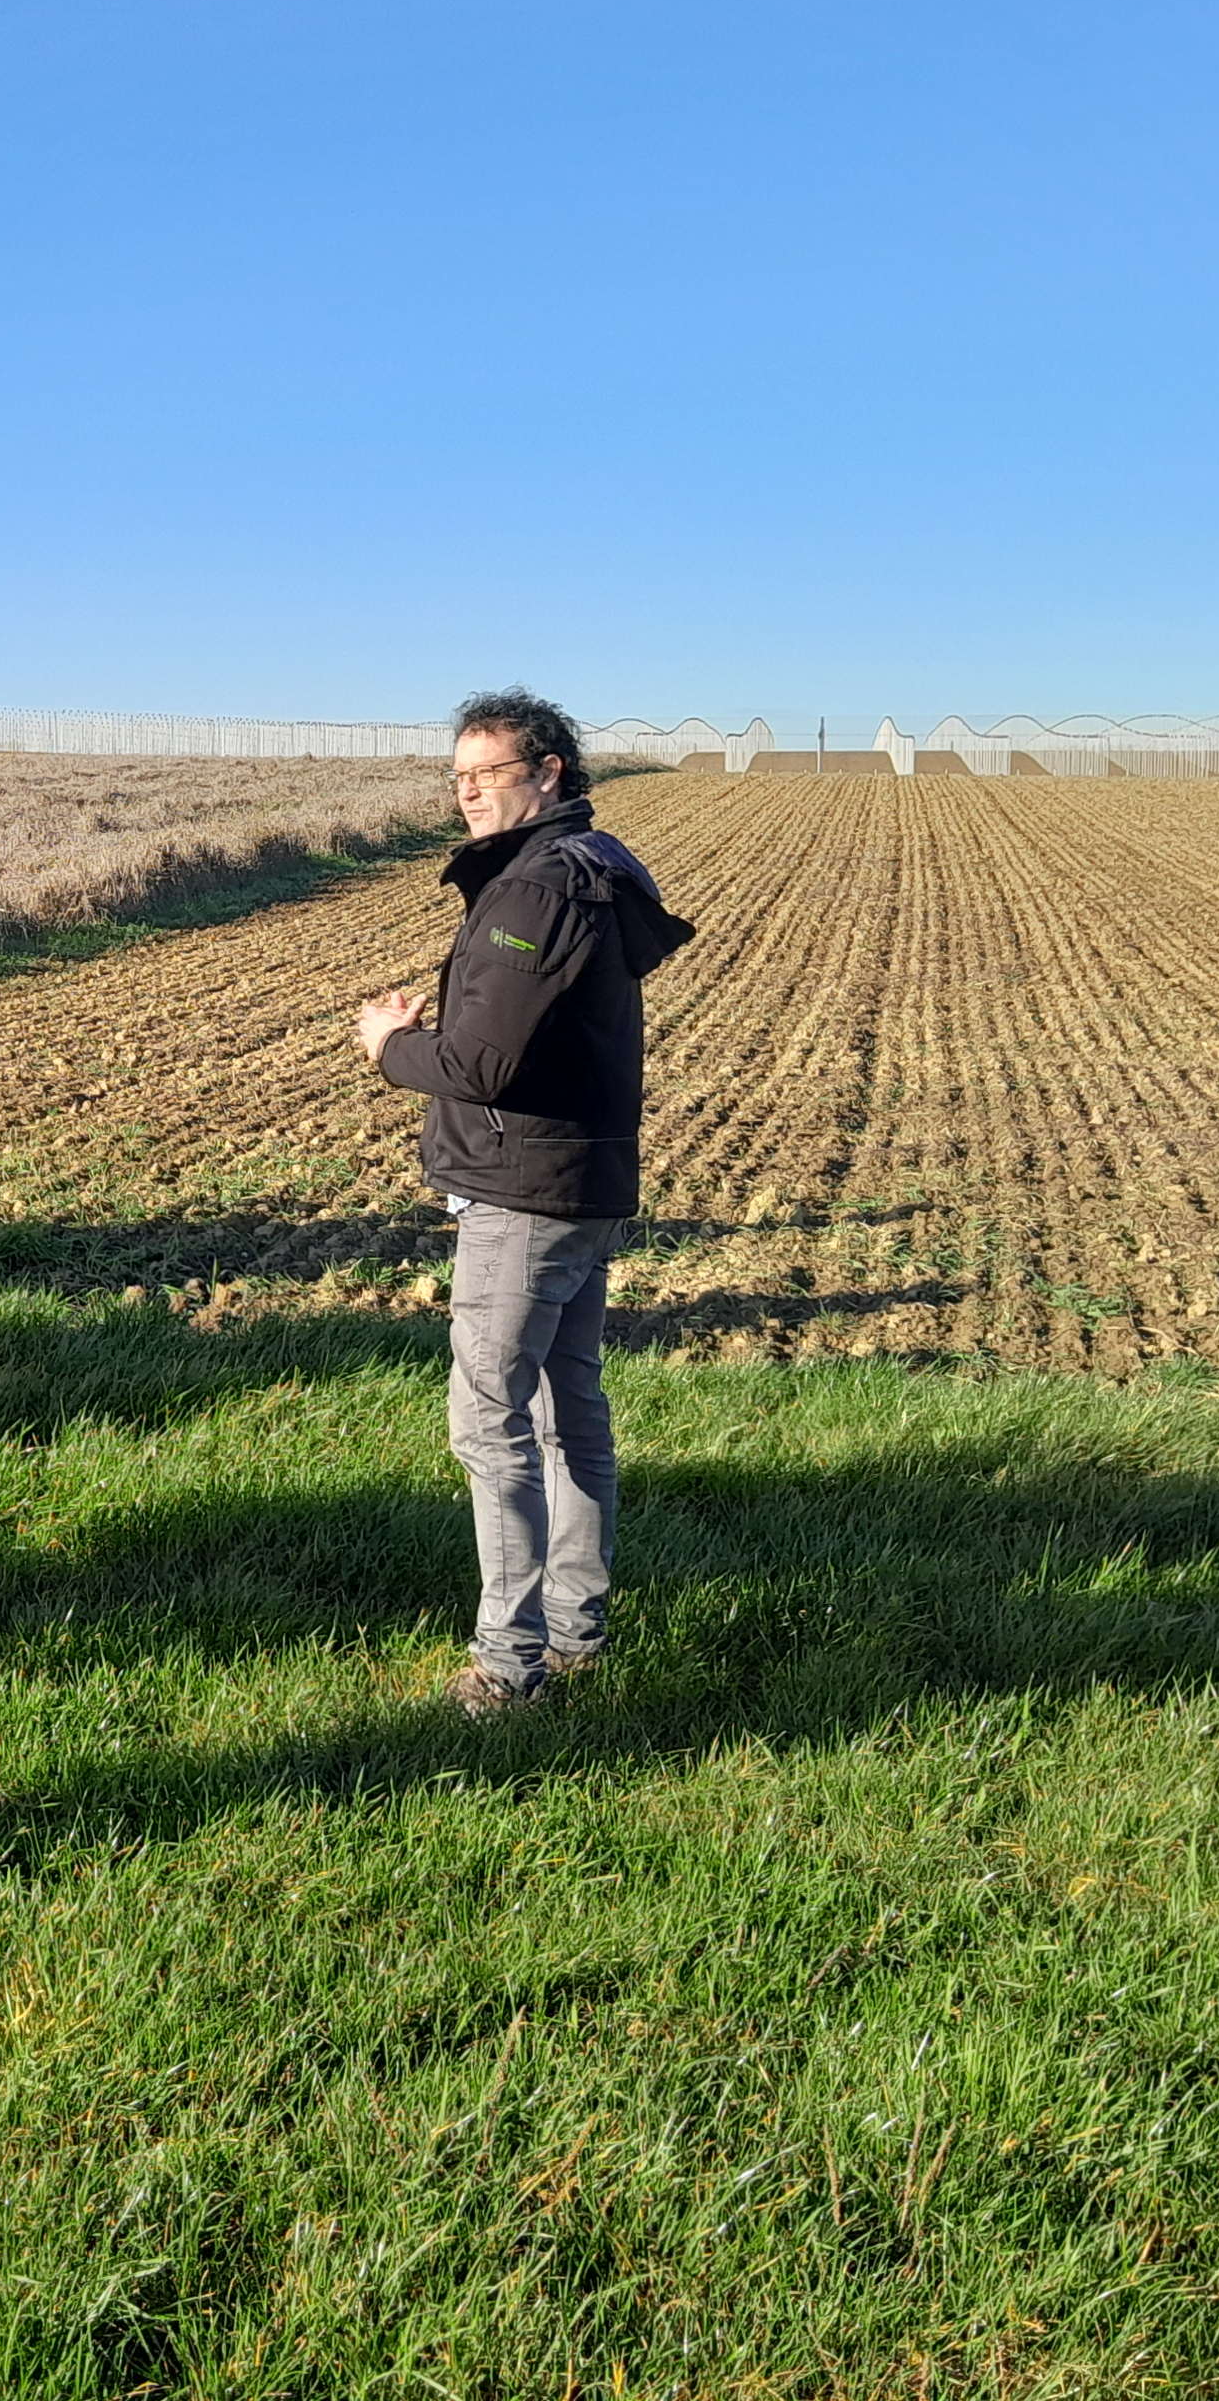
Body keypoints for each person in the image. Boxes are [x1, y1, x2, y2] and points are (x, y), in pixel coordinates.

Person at [358, 689, 695, 1718]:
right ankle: (574, 1632)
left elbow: (482, 1061)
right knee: (565, 1413)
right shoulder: (588, 869)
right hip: (582, 1181)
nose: (466, 792)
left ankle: (510, 1669)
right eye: (457, 776)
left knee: (491, 1424)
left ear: (549, 773)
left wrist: (389, 1045)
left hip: (525, 1193)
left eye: (487, 774)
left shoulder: (535, 888)